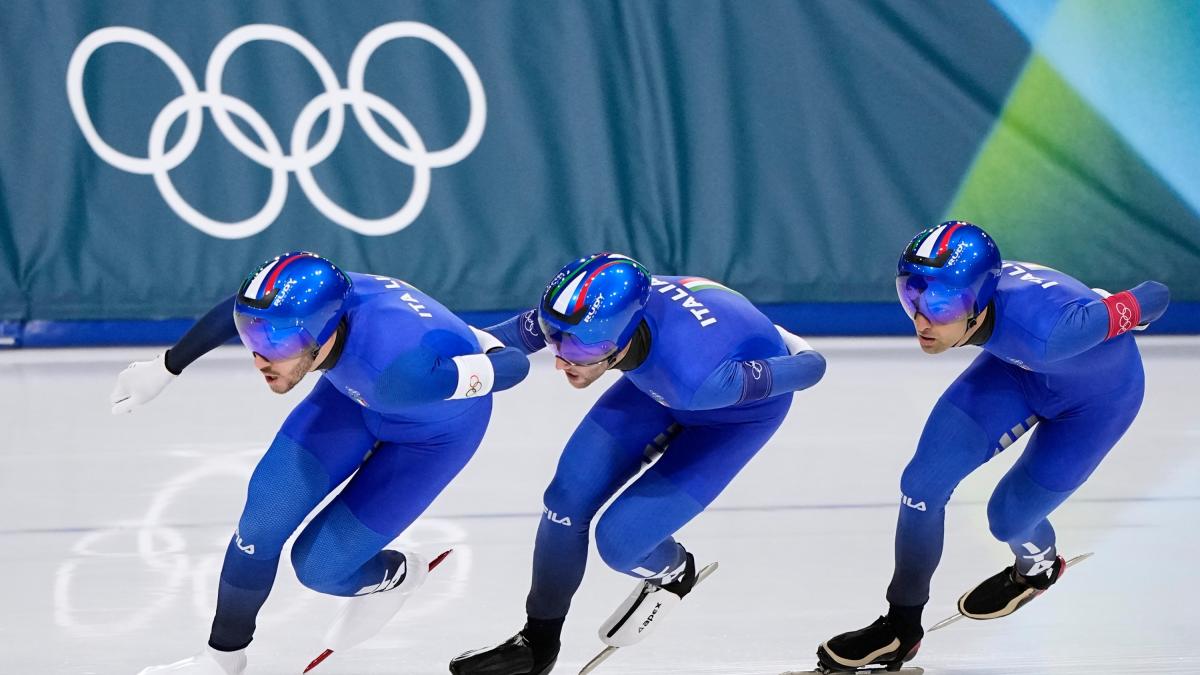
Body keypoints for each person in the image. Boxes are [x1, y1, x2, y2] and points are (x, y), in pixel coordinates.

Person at [111, 251, 531, 675]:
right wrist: (166, 367)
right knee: (261, 524)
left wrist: (479, 341)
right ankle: (222, 661)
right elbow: (241, 308)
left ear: (326, 330)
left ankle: (400, 574)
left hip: (432, 437)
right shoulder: (322, 296)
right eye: (254, 339)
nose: (261, 358)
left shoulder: (397, 373)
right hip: (350, 399)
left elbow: (513, 367)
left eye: (278, 344)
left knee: (320, 569)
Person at [448, 252, 827, 674]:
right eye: (556, 339)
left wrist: (790, 341)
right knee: (564, 499)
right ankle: (537, 644)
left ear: (624, 335)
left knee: (621, 542)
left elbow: (811, 369)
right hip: (657, 383)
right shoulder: (587, 310)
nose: (560, 359)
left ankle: (676, 571)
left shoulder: (696, 380)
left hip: (730, 414)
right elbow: (484, 341)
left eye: (579, 347)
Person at [815, 222, 1170, 672]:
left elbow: (1155, 293)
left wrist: (1121, 311)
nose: (923, 320)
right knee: (921, 484)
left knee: (1007, 518)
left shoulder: (1050, 331)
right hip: (1016, 370)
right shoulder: (987, 308)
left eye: (942, 304)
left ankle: (1037, 570)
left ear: (979, 304)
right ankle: (901, 627)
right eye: (913, 297)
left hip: (1097, 401)